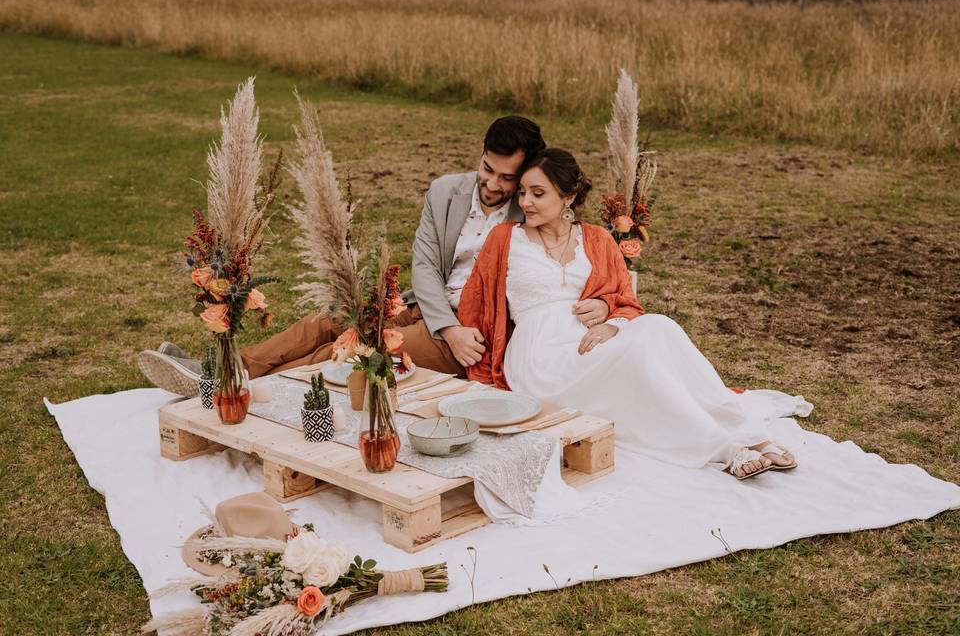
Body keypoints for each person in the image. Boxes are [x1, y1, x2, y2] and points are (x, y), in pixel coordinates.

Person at [138, 117, 613, 396]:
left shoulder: (531, 212)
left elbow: (572, 274)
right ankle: (230, 368)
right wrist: (441, 320)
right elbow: (425, 263)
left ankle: (234, 387)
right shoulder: (446, 192)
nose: (493, 185)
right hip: (431, 304)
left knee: (351, 346)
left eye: (507, 178)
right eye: (487, 169)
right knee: (330, 316)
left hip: (471, 328)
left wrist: (607, 309)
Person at [457, 148, 812, 480]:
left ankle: (748, 431)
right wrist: (459, 338)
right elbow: (476, 299)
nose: (525, 202)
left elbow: (625, 300)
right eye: (522, 192)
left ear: (566, 198)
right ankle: (722, 447)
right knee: (638, 359)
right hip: (542, 360)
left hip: (590, 338)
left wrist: (609, 316)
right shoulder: (505, 239)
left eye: (538, 193)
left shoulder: (594, 238)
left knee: (660, 327)